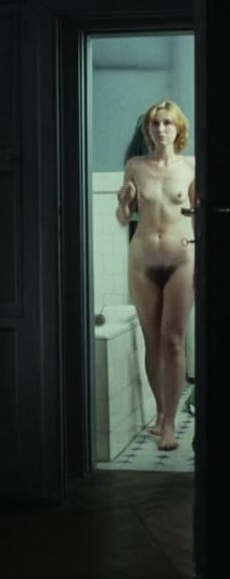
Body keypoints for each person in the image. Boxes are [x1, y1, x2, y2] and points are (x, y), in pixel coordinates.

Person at [116, 100, 195, 451]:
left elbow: (200, 215)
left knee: (173, 340)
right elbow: (124, 219)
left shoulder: (191, 166)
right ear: (148, 129)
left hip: (181, 260)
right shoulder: (135, 166)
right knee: (153, 342)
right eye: (154, 123)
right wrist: (123, 202)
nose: (160, 129)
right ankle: (161, 412)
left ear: (178, 128)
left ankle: (170, 425)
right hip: (142, 262)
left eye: (166, 123)